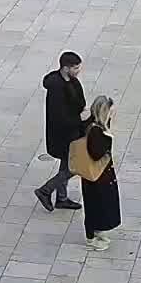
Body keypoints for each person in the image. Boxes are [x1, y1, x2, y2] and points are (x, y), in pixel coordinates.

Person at [33, 51, 88, 212]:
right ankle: (46, 190)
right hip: (64, 134)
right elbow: (60, 117)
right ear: (65, 68)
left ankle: (61, 198)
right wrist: (82, 119)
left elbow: (79, 102)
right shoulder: (56, 88)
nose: (78, 70)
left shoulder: (72, 81)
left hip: (72, 131)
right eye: (75, 67)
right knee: (74, 166)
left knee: (66, 165)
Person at [80, 96, 121, 250]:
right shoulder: (95, 131)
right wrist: (108, 139)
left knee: (98, 203)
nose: (112, 115)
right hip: (97, 176)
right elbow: (97, 154)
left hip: (98, 175)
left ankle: (97, 232)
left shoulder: (95, 125)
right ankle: (93, 237)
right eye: (110, 112)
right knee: (97, 204)